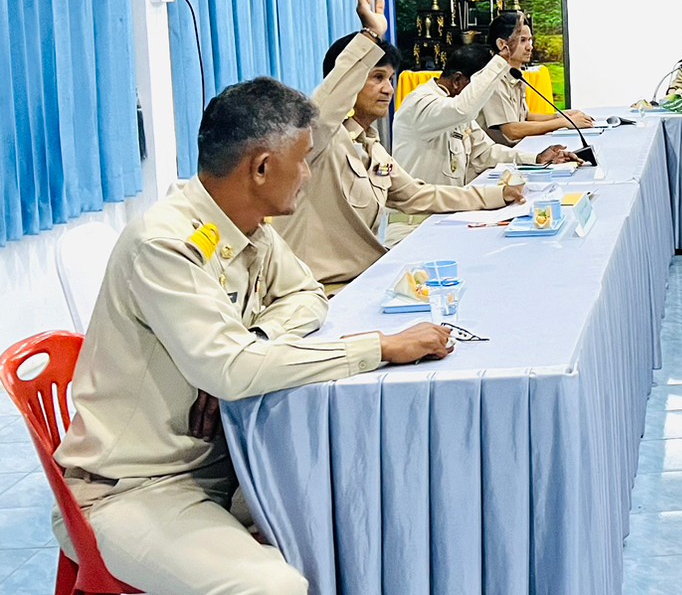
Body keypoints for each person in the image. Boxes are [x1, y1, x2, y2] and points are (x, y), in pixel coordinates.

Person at [52, 76, 454, 595]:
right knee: (271, 587)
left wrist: (254, 340)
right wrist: (376, 348)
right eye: (305, 160)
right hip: (134, 487)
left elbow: (306, 295)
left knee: (357, 519)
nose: (308, 175)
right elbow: (230, 370)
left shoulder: (246, 225)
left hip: (225, 460)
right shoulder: (166, 245)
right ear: (262, 167)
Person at [274, 0, 522, 289]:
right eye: (376, 78)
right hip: (320, 291)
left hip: (364, 280)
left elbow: (419, 194)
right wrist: (369, 36)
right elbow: (321, 112)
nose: (388, 89)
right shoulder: (318, 142)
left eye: (391, 78)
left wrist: (497, 195)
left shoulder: (373, 148)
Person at [394, 43, 576, 186]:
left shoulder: (454, 106)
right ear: (457, 80)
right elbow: (462, 110)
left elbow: (485, 152)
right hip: (414, 223)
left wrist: (536, 159)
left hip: (446, 212)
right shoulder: (422, 103)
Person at [480, 10, 594, 145]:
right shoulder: (492, 79)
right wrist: (564, 122)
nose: (530, 47)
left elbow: (524, 117)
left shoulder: (515, 75)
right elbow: (511, 130)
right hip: (497, 161)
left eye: (530, 40)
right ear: (501, 44)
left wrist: (560, 115)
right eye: (522, 40)